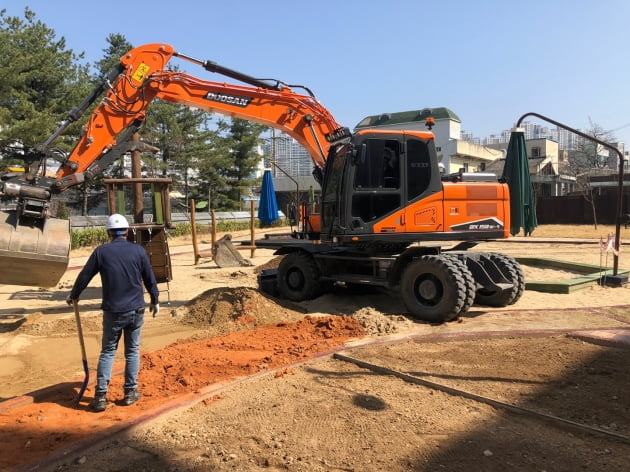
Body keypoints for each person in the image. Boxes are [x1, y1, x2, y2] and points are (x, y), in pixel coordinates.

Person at [66, 213, 159, 412]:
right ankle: (130, 392)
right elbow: (150, 278)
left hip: (113, 311)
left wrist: (74, 295)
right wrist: (155, 299)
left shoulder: (102, 252)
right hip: (136, 309)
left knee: (108, 352)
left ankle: (100, 396)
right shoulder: (138, 251)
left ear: (109, 232)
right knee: (132, 351)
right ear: (127, 231)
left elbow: (84, 276)